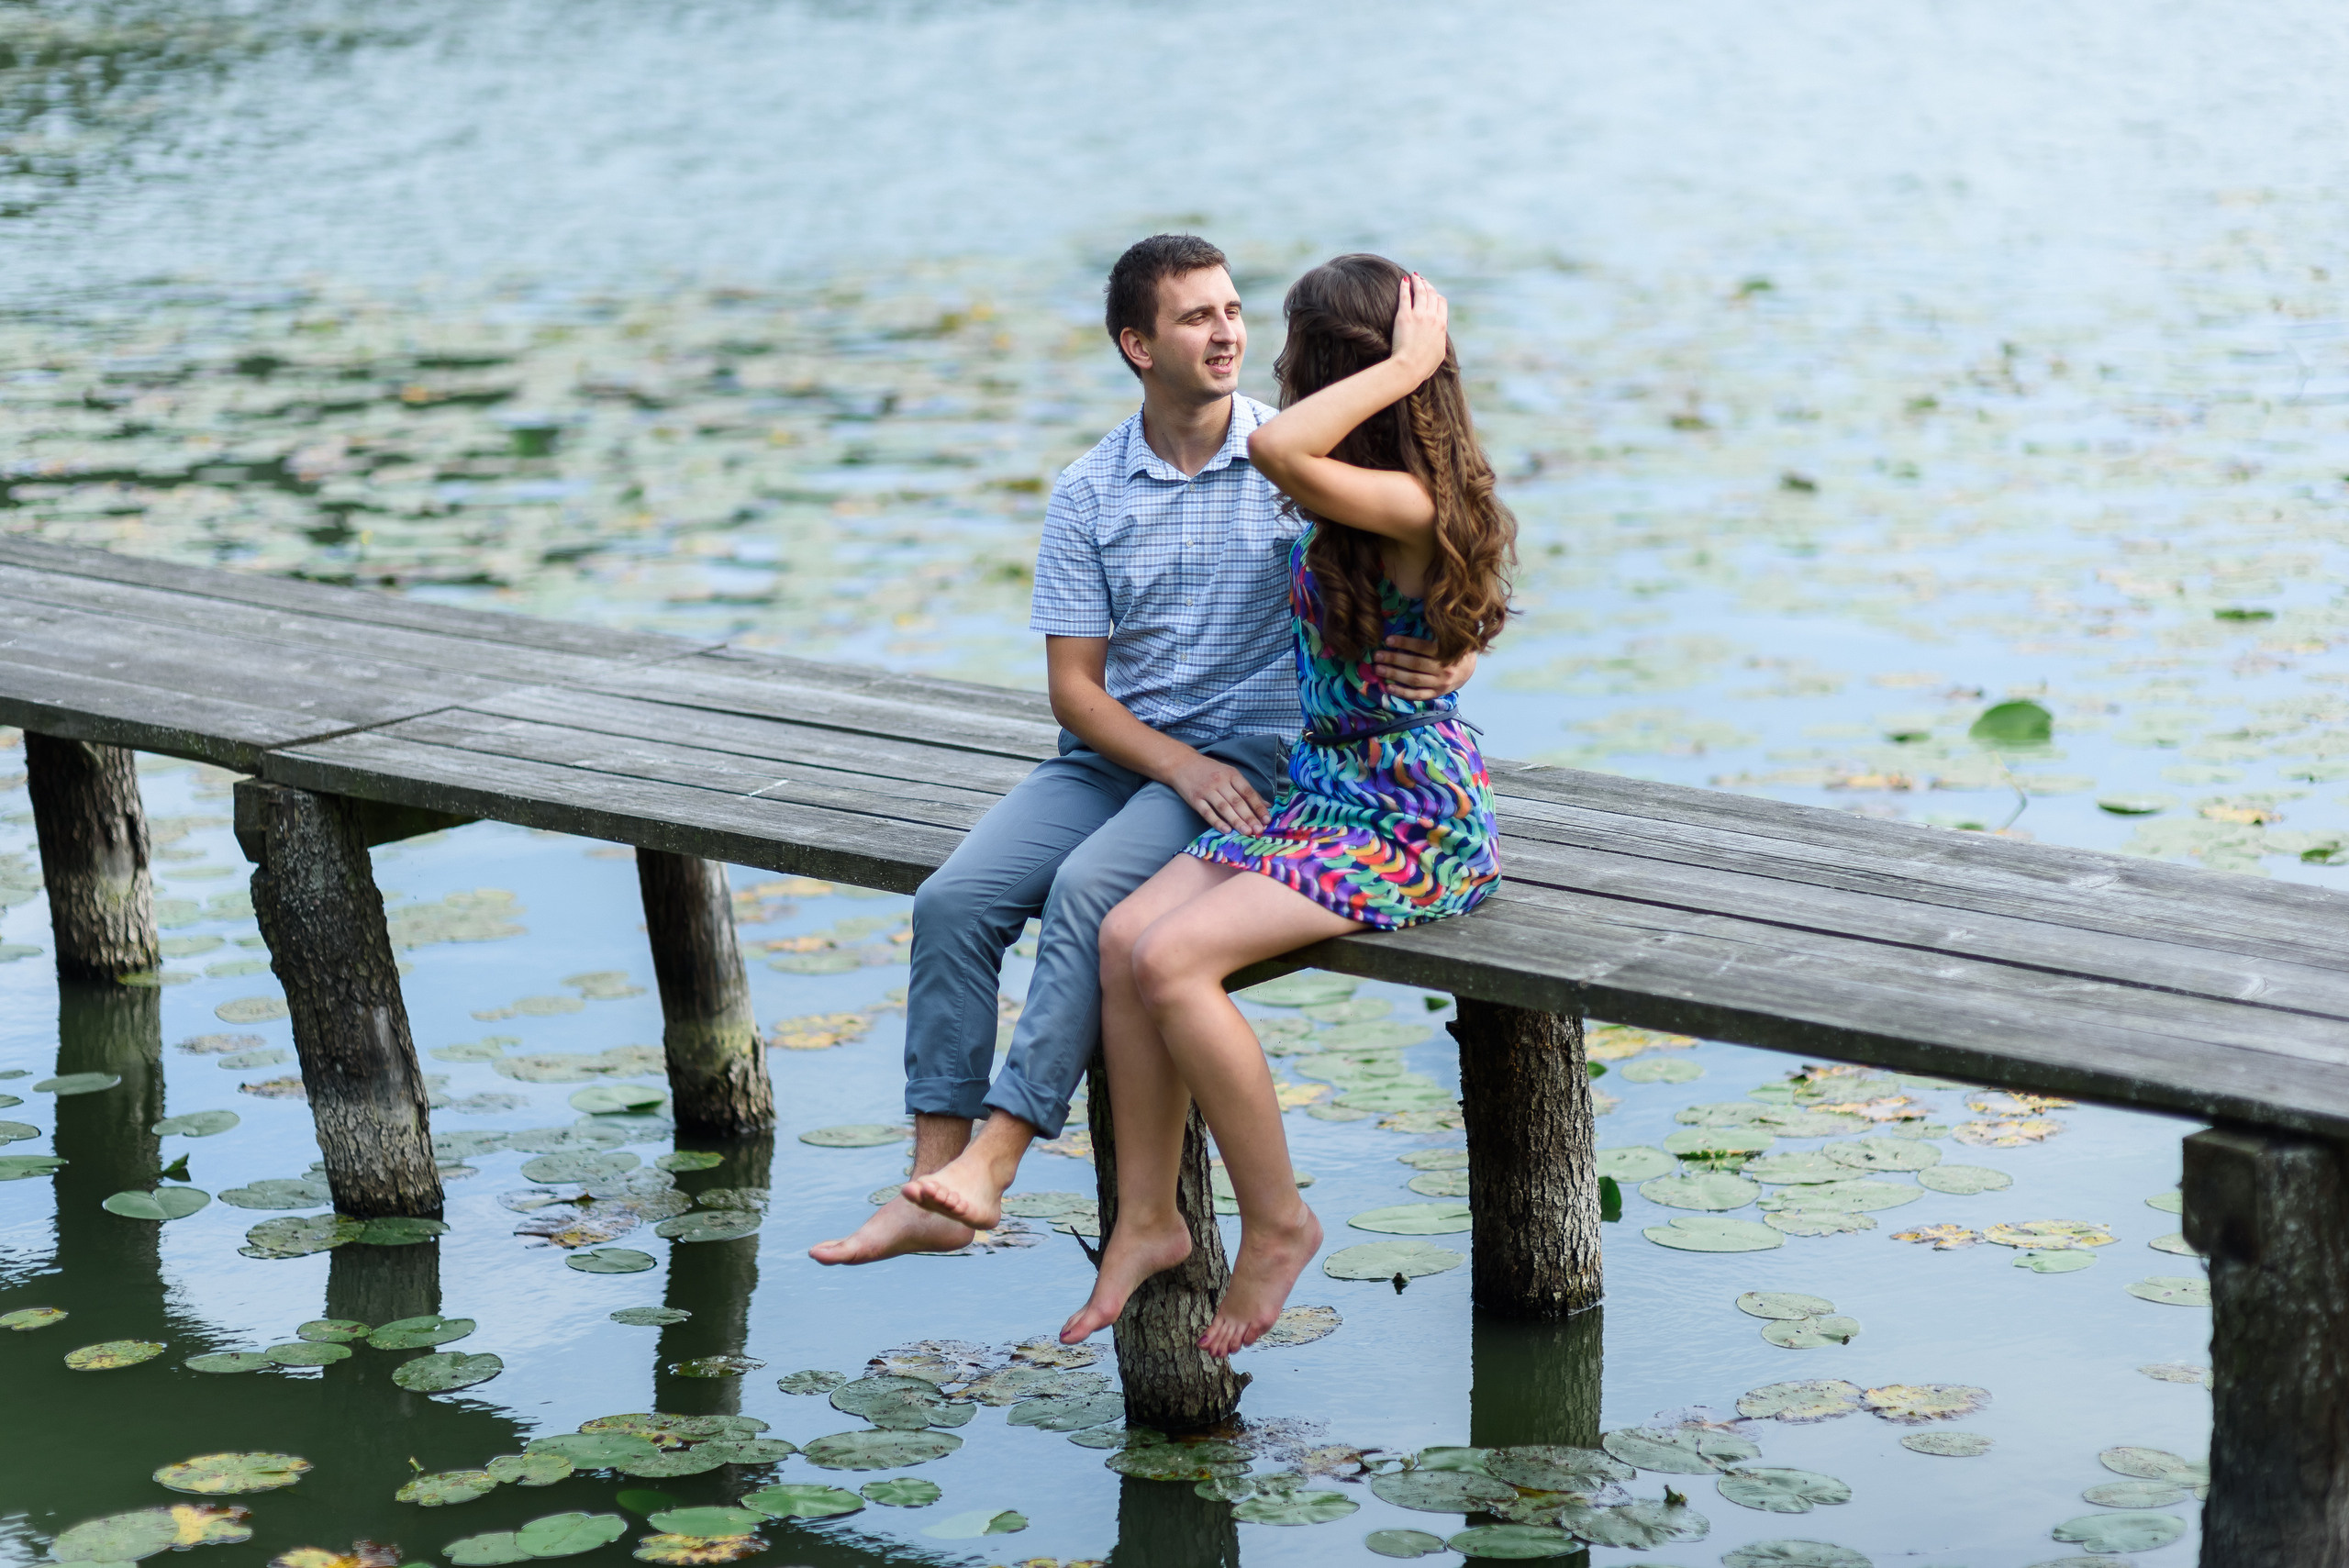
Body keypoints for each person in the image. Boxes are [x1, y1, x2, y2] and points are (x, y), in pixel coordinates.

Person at [810, 237, 1475, 1266]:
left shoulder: (1295, 457)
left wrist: (1459, 649)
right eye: (1196, 316)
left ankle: (998, 1156)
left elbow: (1441, 548)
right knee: (951, 899)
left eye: (1234, 310)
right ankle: (933, 1177)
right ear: (1138, 345)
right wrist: (1172, 763)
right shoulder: (1088, 490)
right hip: (1126, 753)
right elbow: (1075, 689)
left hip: (1251, 757)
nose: (1227, 333)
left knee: (1089, 892)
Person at [1059, 255, 1513, 1355]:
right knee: (1123, 935)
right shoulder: (1360, 485)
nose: (1270, 361)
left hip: (1406, 815)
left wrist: (1407, 363)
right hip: (1323, 787)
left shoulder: (1405, 496)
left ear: (1338, 365)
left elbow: (1274, 447)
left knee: (1174, 959)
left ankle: (1279, 1220)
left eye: (1292, 344)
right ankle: (1149, 1215)